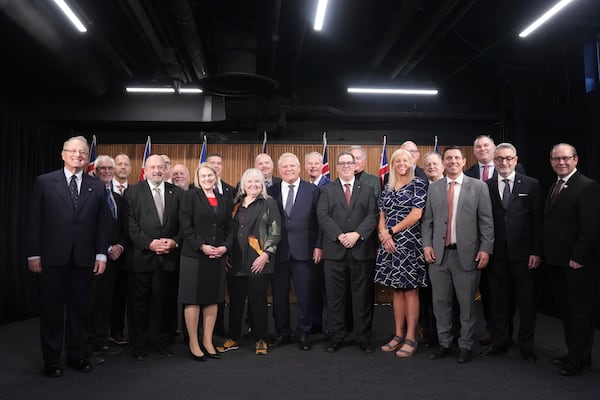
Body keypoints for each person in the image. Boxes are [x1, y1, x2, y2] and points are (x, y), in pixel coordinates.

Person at [27, 136, 111, 377]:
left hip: (84, 259)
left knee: (80, 310)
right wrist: (33, 254)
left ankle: (76, 355)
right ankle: (52, 361)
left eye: (82, 152)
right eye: (73, 151)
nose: (78, 155)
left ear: (87, 157)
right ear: (63, 154)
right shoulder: (44, 182)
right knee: (51, 310)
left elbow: (102, 223)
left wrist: (101, 255)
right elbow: (34, 220)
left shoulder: (96, 186)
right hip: (52, 258)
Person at [422, 145, 494, 364]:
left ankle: (465, 345)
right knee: (441, 303)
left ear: (464, 161)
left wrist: (485, 248)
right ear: (444, 162)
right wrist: (426, 245)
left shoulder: (479, 187)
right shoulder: (434, 188)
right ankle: (445, 343)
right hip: (439, 257)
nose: (452, 161)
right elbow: (428, 221)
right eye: (448, 158)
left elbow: (486, 222)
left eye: (457, 158)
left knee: (466, 305)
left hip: (468, 255)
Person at [543, 143, 600, 376]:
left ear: (576, 160)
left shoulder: (588, 186)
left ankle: (579, 359)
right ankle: (575, 353)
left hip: (576, 263)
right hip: (557, 261)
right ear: (551, 162)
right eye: (556, 159)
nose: (561, 162)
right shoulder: (555, 185)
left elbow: (591, 228)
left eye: (566, 158)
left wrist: (578, 256)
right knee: (566, 312)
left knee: (579, 312)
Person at [483, 143, 542, 363]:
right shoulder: (486, 186)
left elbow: (538, 220)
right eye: (499, 159)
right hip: (496, 255)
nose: (504, 163)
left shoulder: (532, 184)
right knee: (499, 302)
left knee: (526, 303)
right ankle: (500, 342)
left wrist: (537, 250)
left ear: (516, 160)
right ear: (494, 161)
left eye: (508, 158)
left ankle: (526, 346)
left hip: (525, 256)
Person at [317, 151, 378, 353]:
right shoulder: (327, 190)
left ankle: (363, 337)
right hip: (335, 252)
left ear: (355, 166)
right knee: (335, 298)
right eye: (341, 163)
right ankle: (336, 336)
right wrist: (341, 235)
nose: (345, 166)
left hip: (361, 250)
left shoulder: (367, 190)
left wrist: (357, 234)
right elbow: (323, 216)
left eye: (349, 163)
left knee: (362, 297)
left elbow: (373, 215)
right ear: (336, 166)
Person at [124, 154, 183, 360]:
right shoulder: (132, 192)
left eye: (160, 167)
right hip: (141, 258)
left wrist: (174, 241)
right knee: (138, 304)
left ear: (165, 170)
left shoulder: (176, 193)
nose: (157, 170)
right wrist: (149, 243)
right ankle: (139, 345)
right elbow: (130, 225)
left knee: (163, 303)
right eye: (153, 167)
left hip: (168, 259)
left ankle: (161, 342)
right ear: (145, 170)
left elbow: (184, 225)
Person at [218, 168, 281, 355]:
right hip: (235, 262)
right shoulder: (235, 204)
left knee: (258, 302)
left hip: (259, 261)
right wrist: (226, 254)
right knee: (235, 302)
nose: (253, 185)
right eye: (249, 182)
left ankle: (260, 339)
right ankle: (234, 337)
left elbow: (275, 231)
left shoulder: (269, 203)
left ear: (262, 184)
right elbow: (227, 231)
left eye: (257, 181)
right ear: (243, 185)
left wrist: (266, 255)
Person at [375, 149, 428, 358]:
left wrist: (391, 232)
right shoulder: (387, 187)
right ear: (393, 164)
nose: (401, 163)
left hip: (409, 243)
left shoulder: (418, 184)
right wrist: (383, 235)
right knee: (396, 290)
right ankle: (398, 334)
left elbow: (416, 214)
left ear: (411, 163)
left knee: (410, 290)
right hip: (388, 244)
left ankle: (411, 337)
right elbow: (381, 213)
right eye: (398, 161)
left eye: (405, 160)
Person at [179, 164, 232, 361]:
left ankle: (208, 341)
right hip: (194, 255)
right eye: (203, 175)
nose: (207, 178)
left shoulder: (223, 199)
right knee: (193, 299)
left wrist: (225, 246)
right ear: (197, 178)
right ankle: (194, 342)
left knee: (213, 298)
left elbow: (229, 228)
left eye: (210, 175)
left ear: (216, 176)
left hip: (217, 255)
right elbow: (186, 226)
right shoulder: (190, 197)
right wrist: (202, 246)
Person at [269, 153, 321, 351]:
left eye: (292, 166)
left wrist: (319, 245)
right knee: (279, 295)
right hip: (278, 252)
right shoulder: (271, 191)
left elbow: (320, 222)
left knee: (305, 295)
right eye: (284, 166)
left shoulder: (313, 190)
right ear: (279, 170)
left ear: (300, 168)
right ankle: (282, 332)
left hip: (305, 251)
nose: (288, 169)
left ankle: (304, 333)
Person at [87, 156, 127, 359]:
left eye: (109, 168)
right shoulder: (89, 193)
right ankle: (89, 342)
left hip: (113, 259)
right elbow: (86, 228)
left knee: (106, 301)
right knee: (91, 301)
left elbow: (122, 228)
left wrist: (119, 245)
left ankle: (101, 341)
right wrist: (103, 248)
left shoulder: (117, 198)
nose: (106, 171)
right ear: (94, 170)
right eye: (101, 168)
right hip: (93, 257)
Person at [110, 153, 131, 345]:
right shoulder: (103, 189)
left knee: (122, 296)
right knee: (105, 295)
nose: (123, 167)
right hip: (107, 254)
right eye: (119, 164)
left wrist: (122, 246)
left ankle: (117, 330)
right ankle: (100, 334)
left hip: (129, 253)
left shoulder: (134, 191)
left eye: (126, 164)